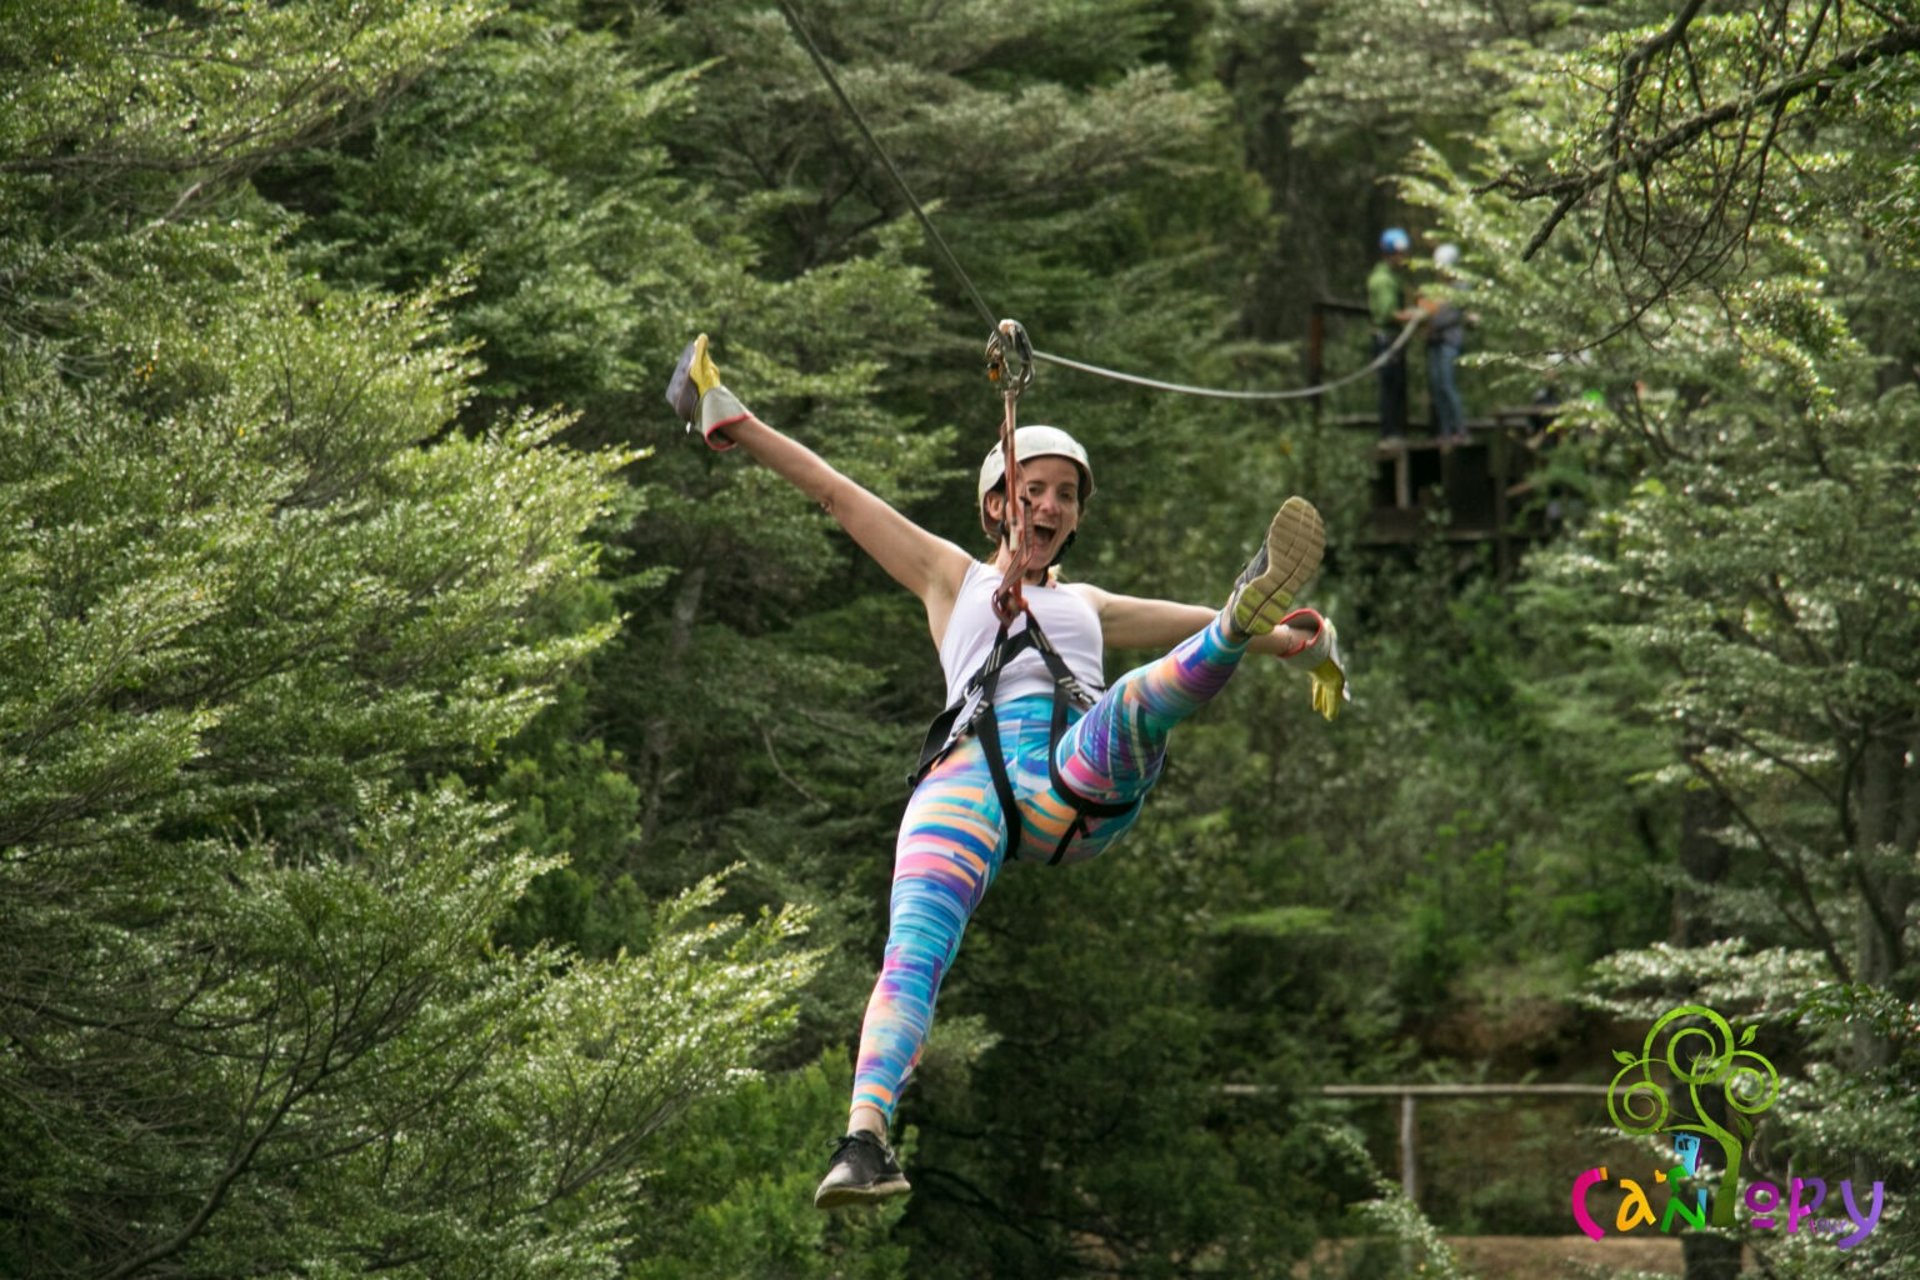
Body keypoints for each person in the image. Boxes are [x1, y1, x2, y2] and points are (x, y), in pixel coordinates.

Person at [665, 335, 1350, 1211]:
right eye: (1035, 490)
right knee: (910, 955)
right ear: (998, 503)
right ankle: (865, 1142)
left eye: (1066, 496)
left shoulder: (1086, 604)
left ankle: (1239, 605)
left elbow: (1247, 630)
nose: (1052, 504)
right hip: (961, 781)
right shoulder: (947, 578)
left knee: (1145, 693)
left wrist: (1302, 640)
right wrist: (735, 420)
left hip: (1072, 778)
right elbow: (838, 494)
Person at [1367, 227, 1418, 442]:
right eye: (1400, 253)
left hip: (1392, 340)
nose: (1403, 258)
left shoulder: (1393, 278)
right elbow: (1389, 313)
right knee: (1390, 387)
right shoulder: (1383, 280)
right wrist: (1414, 315)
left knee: (1397, 387)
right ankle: (1390, 433)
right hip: (1387, 340)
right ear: (1391, 253)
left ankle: (1397, 432)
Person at [1419, 242, 1473, 442]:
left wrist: (1432, 317)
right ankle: (1445, 431)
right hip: (1434, 341)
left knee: (1448, 385)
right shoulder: (1436, 288)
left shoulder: (1461, 287)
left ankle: (1460, 429)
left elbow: (1450, 314)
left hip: (1449, 341)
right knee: (1437, 386)